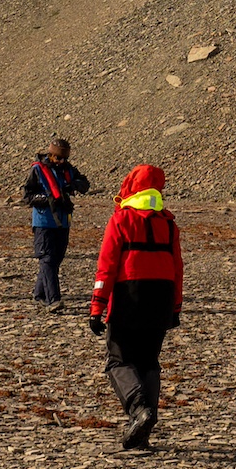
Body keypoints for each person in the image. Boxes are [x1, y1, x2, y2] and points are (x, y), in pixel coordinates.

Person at [87, 163, 183, 452]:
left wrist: (96, 307)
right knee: (148, 362)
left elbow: (107, 267)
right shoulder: (168, 223)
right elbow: (178, 268)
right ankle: (144, 430)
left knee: (118, 360)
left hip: (130, 295)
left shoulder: (121, 220)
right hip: (161, 297)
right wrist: (175, 306)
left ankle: (139, 410)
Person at [23, 138, 91, 310]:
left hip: (63, 222)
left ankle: (39, 295)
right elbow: (27, 196)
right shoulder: (37, 170)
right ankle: (53, 300)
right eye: (58, 158)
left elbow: (85, 184)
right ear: (50, 155)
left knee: (56, 259)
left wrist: (71, 186)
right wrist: (47, 199)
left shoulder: (68, 170)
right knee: (47, 259)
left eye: (64, 159)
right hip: (44, 222)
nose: (62, 162)